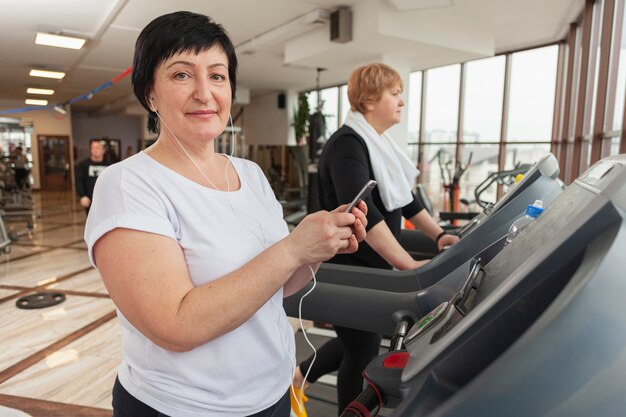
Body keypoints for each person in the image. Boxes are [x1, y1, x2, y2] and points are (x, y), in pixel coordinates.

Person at [84, 11, 368, 417]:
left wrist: (318, 247)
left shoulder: (249, 174)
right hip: (181, 408)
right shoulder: (128, 184)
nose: (205, 92)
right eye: (182, 75)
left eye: (217, 75)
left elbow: (277, 286)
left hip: (270, 395)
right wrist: (293, 248)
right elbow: (175, 326)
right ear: (149, 93)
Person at [292, 63, 460, 414]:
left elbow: (406, 198)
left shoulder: (378, 145)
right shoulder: (347, 145)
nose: (402, 102)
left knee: (357, 341)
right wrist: (408, 264)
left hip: (372, 264)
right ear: (369, 100)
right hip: (346, 265)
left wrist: (440, 235)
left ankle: (299, 374)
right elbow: (363, 209)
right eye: (395, 94)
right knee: (363, 349)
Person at [74, 140, 108, 214]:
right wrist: (82, 196)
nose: (95, 150)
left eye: (98, 148)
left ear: (103, 150)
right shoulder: (83, 165)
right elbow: (79, 181)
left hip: (106, 199)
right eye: (93, 148)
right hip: (90, 199)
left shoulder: (109, 165)